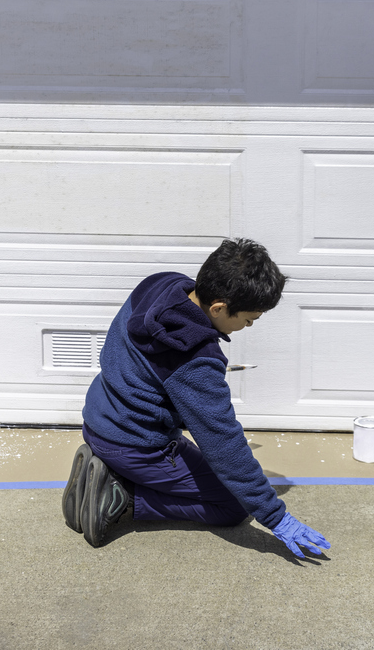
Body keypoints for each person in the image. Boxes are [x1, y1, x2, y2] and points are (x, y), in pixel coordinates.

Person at [62, 238, 331, 558]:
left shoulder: (160, 285)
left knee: (215, 480)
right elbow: (223, 444)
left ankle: (109, 471)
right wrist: (275, 516)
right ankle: (122, 498)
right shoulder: (196, 360)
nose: (246, 327)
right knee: (232, 505)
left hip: (99, 418)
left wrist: (195, 379)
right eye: (248, 320)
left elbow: (148, 361)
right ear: (218, 308)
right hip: (137, 445)